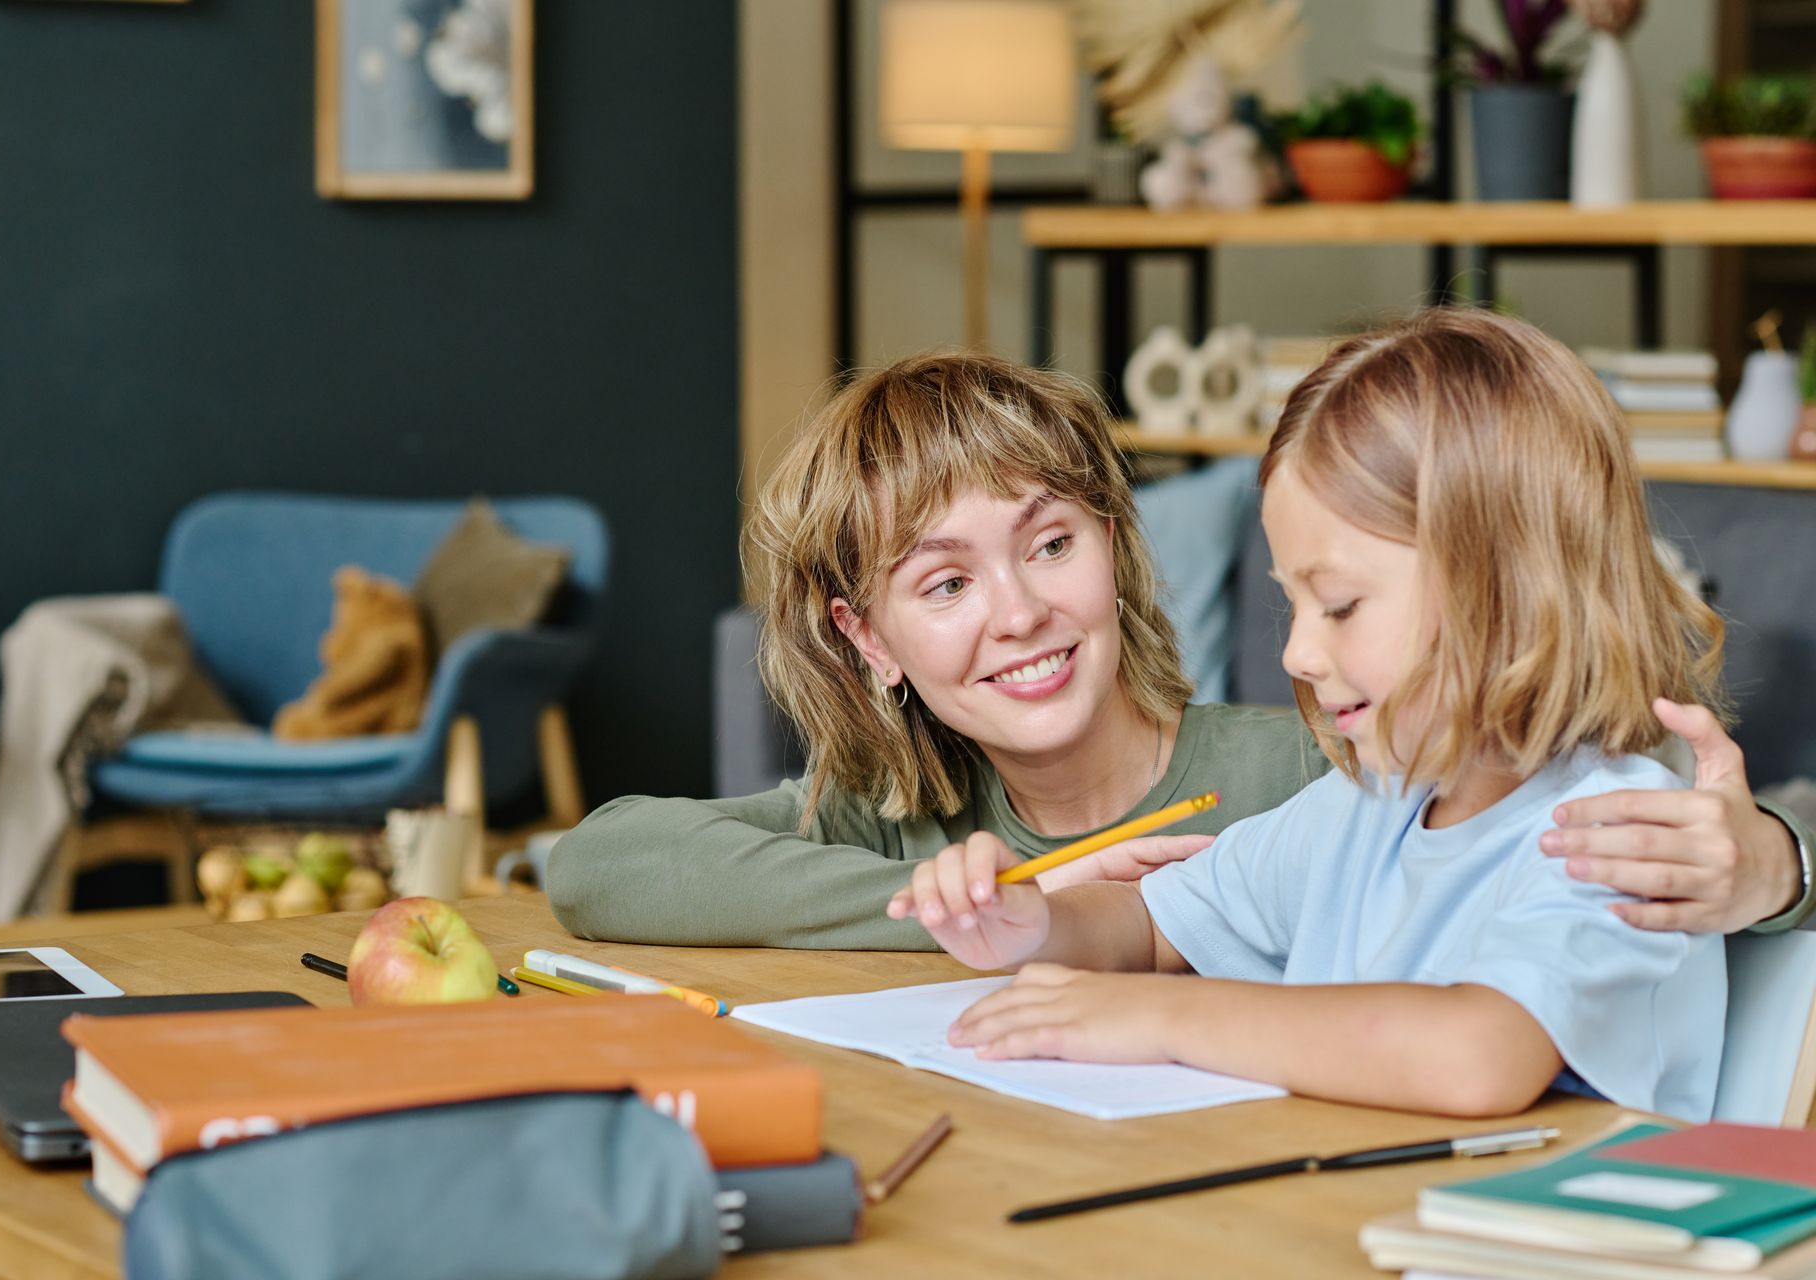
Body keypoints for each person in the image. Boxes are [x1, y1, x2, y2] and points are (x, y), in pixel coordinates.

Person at [545, 345, 1814, 954]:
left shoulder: (1316, 779)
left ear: (1116, 545)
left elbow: (1629, 811)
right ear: (866, 637)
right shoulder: (898, 822)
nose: (1021, 611)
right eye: (944, 581)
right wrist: (1008, 911)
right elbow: (605, 862)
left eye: (1050, 545)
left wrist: (1770, 859)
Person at [891, 310, 1740, 1119]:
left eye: (1337, 606)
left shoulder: (1623, 834)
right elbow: (1155, 924)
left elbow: (1479, 1053)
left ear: (1512, 591)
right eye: (1291, 604)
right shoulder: (1367, 804)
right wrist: (1032, 921)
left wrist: (1163, 1017)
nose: (1297, 654)